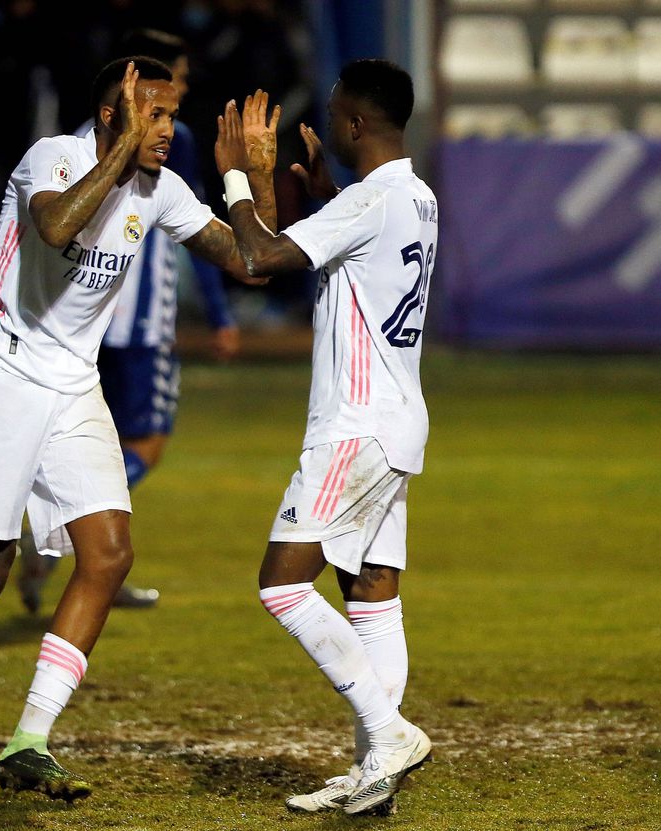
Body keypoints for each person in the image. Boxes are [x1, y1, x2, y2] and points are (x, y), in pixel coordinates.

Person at [0, 57, 275, 801]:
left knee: (108, 555)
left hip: (74, 383)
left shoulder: (162, 189)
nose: (166, 131)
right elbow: (55, 225)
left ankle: (28, 742)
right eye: (152, 115)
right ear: (111, 115)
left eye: (171, 117)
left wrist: (251, 178)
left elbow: (253, 260)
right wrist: (120, 152)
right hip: (2, 369)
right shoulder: (54, 157)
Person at [213, 59, 435, 816]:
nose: (329, 121)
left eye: (336, 113)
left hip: (355, 426)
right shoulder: (416, 196)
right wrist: (325, 193)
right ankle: (377, 770)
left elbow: (260, 256)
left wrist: (237, 176)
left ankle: (389, 735)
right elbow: (365, 245)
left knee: (282, 584)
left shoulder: (371, 200)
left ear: (357, 125)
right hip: (397, 417)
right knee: (371, 592)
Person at [15, 28, 241, 614]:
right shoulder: (164, 144)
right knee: (144, 444)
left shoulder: (79, 140)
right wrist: (219, 313)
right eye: (173, 85)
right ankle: (61, 534)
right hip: (137, 322)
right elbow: (205, 240)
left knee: (97, 446)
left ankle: (89, 558)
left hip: (81, 327)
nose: (176, 102)